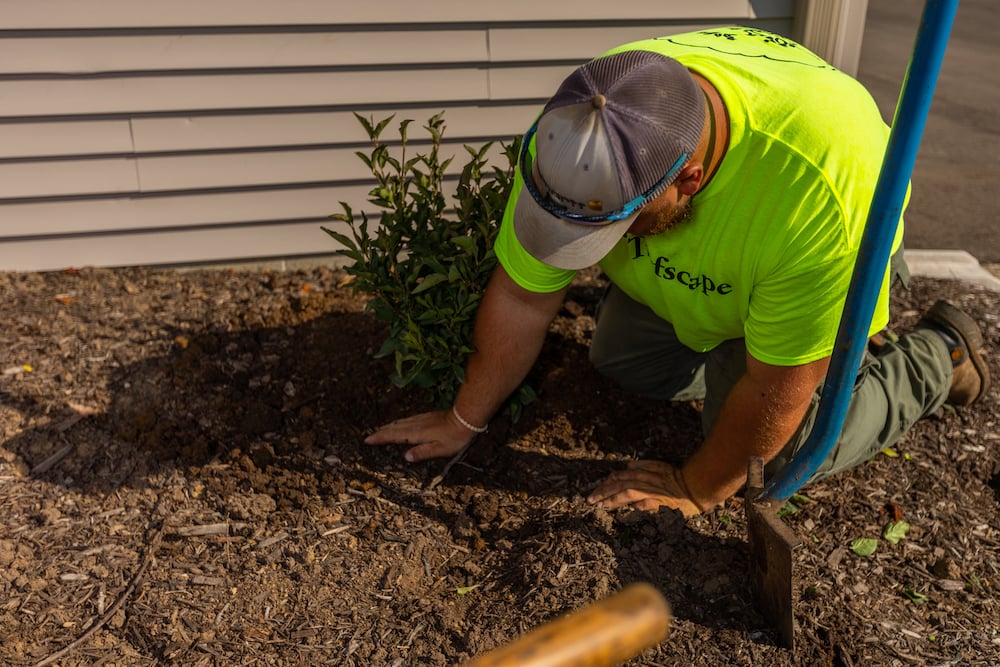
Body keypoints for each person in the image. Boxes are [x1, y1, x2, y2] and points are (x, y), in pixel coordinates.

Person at [364, 27, 991, 516]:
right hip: (735, 246)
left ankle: (938, 358)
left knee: (774, 457)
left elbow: (779, 391)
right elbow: (524, 298)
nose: (587, 245)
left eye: (612, 225)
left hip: (813, 229)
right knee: (621, 361)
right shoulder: (582, 126)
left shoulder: (819, 199)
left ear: (687, 179)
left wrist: (695, 488)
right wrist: (463, 419)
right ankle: (739, 343)